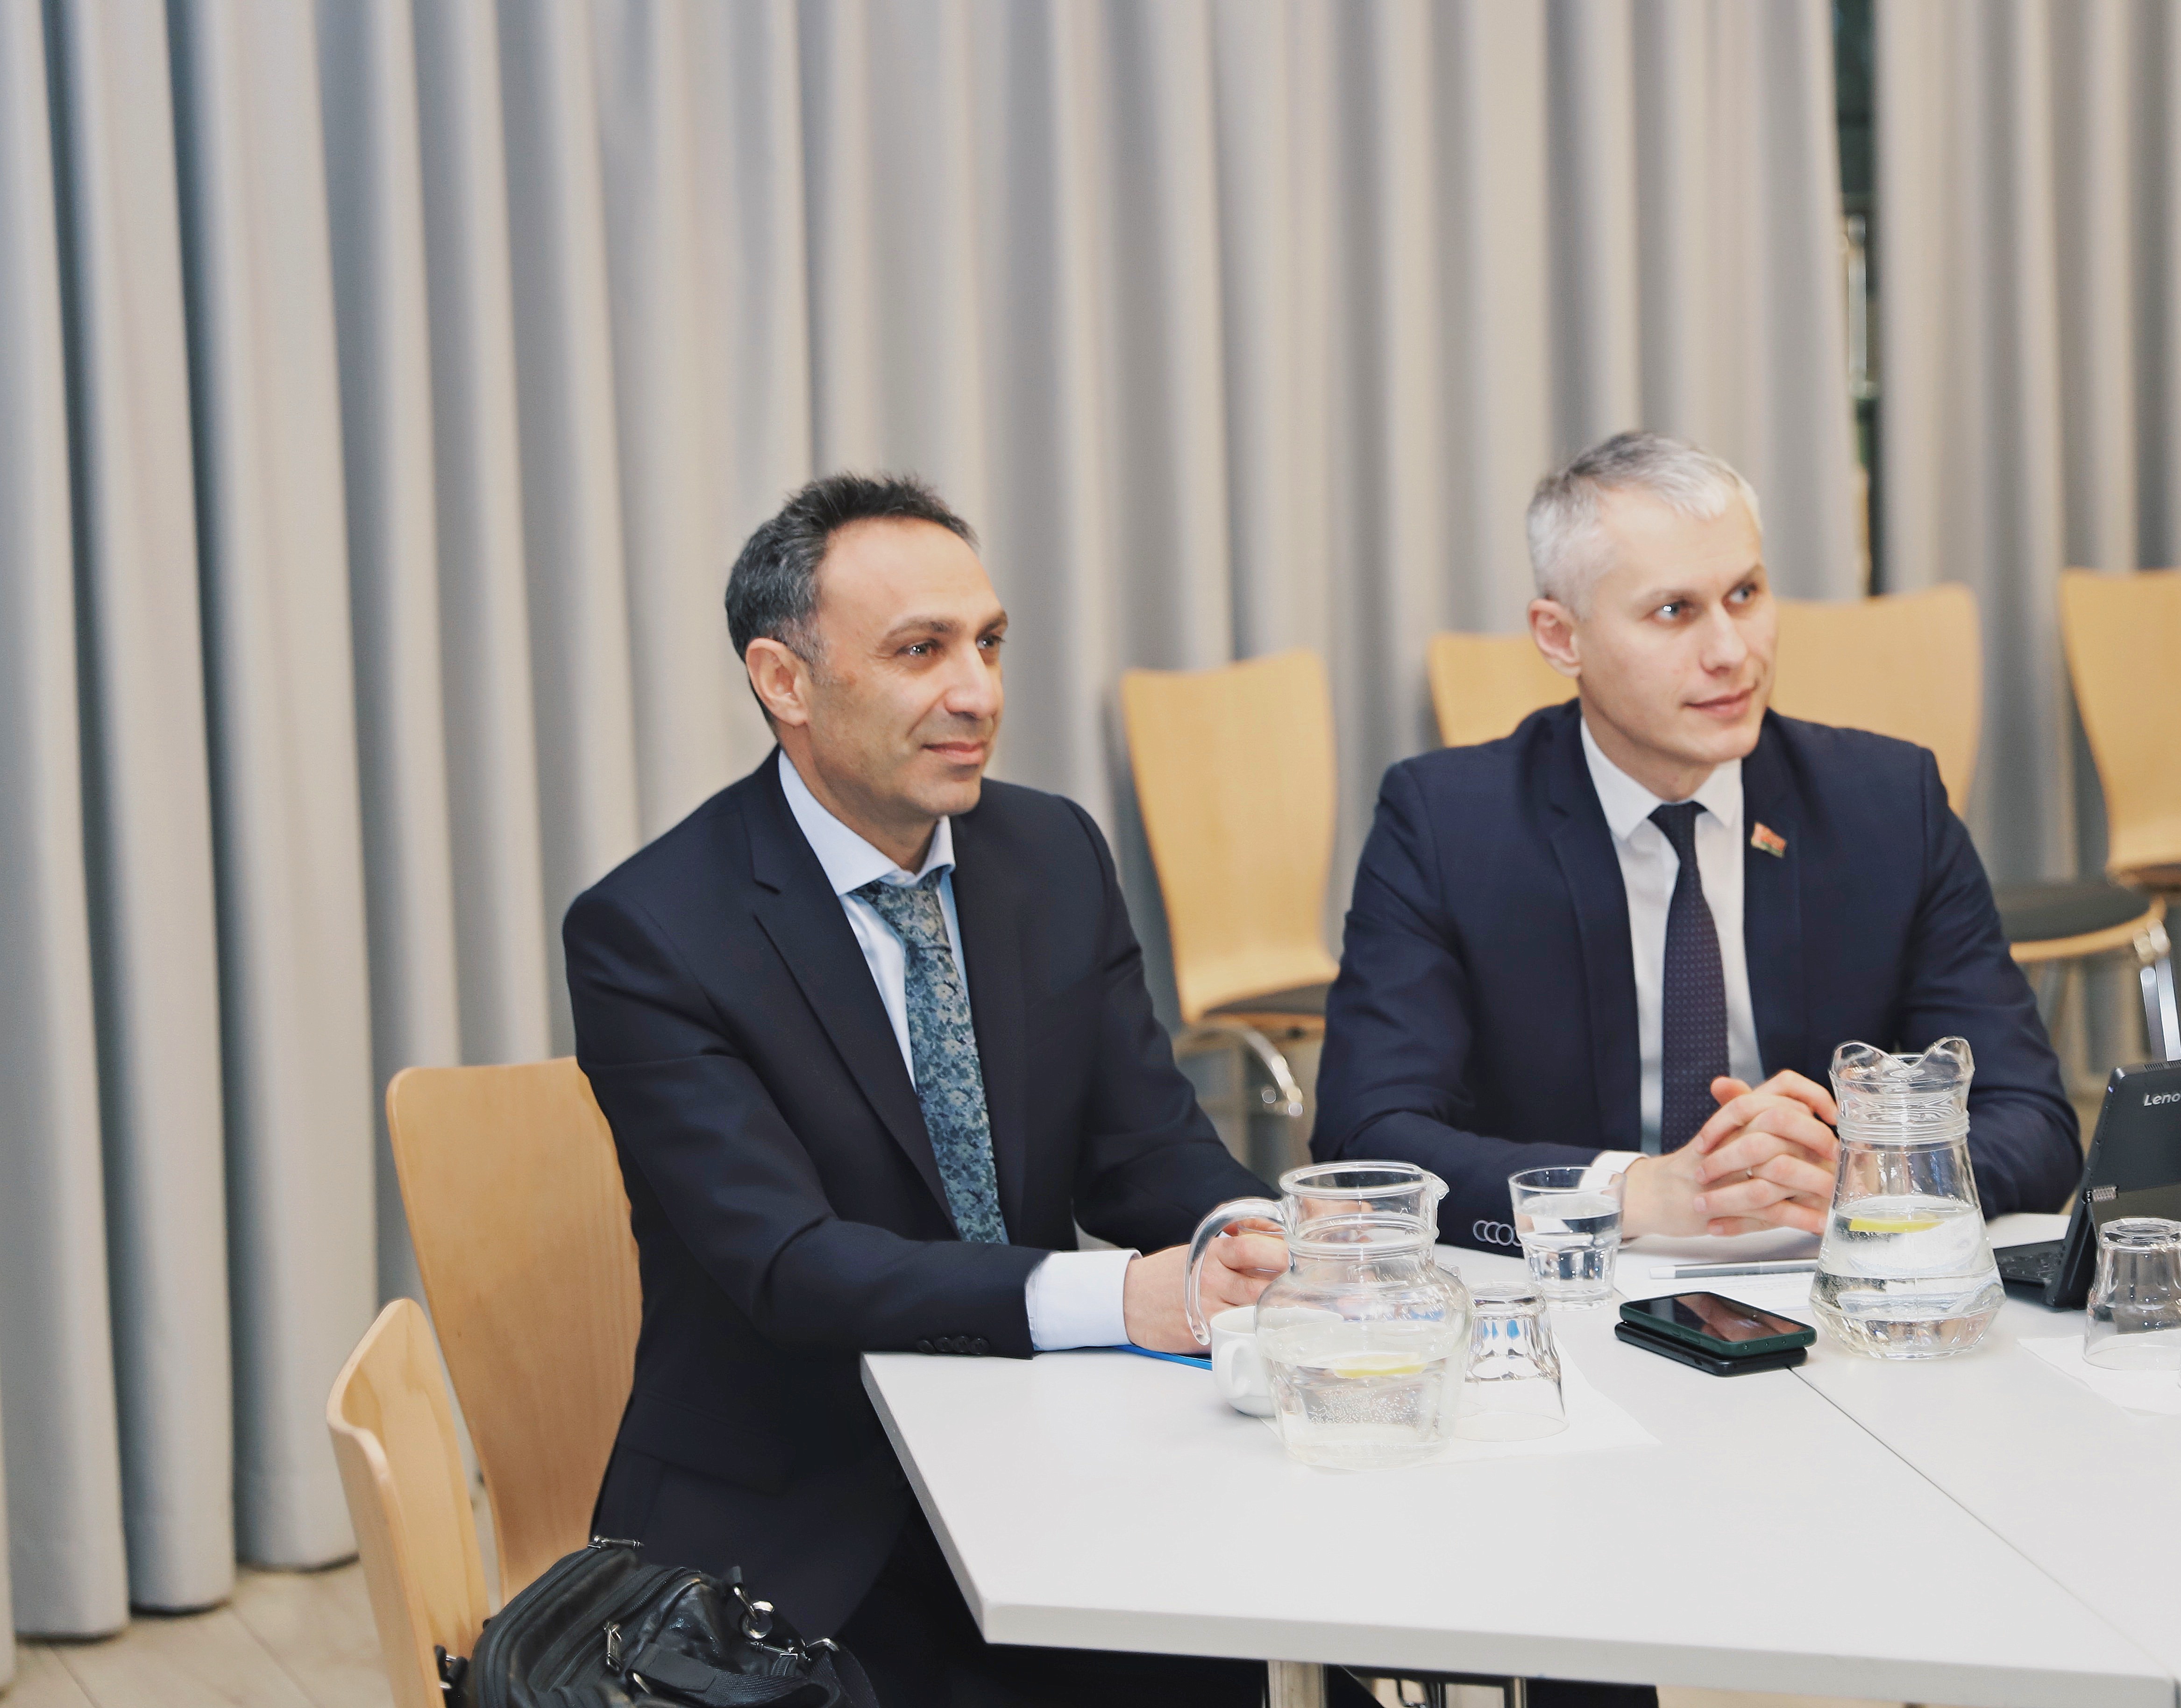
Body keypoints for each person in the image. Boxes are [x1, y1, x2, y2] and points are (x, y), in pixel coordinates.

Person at [565, 474, 1280, 1707]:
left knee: (1239, 1658)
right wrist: (1124, 1291)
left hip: (1056, 1450)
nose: (977, 694)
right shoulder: (652, 930)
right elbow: (790, 1267)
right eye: (920, 651)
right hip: (803, 1511)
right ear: (783, 682)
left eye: (988, 643)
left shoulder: (1052, 853)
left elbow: (1143, 1149)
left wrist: (1239, 1238)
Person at [1314, 430, 2082, 1264]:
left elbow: (2032, 1116)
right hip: (1577, 1293)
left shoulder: (1887, 804)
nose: (1731, 652)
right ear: (1559, 637)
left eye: (1746, 594)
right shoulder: (1447, 824)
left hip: (1828, 1276)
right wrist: (1633, 1190)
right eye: (1674, 612)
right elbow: (1368, 1142)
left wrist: (1875, 1181)